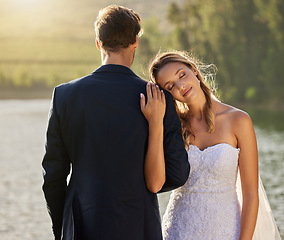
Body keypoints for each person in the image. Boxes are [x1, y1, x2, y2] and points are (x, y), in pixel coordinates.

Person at [41, 6, 190, 240]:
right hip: (138, 223)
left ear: (98, 43)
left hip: (81, 224)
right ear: (135, 42)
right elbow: (178, 172)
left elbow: (53, 176)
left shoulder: (64, 96)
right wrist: (138, 186)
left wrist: (62, 228)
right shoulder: (158, 98)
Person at [144, 51, 281, 239]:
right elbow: (154, 183)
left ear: (194, 70)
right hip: (178, 230)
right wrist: (155, 123)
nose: (181, 86)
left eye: (182, 75)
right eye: (170, 86)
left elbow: (250, 193)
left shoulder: (238, 120)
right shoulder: (173, 127)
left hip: (225, 230)